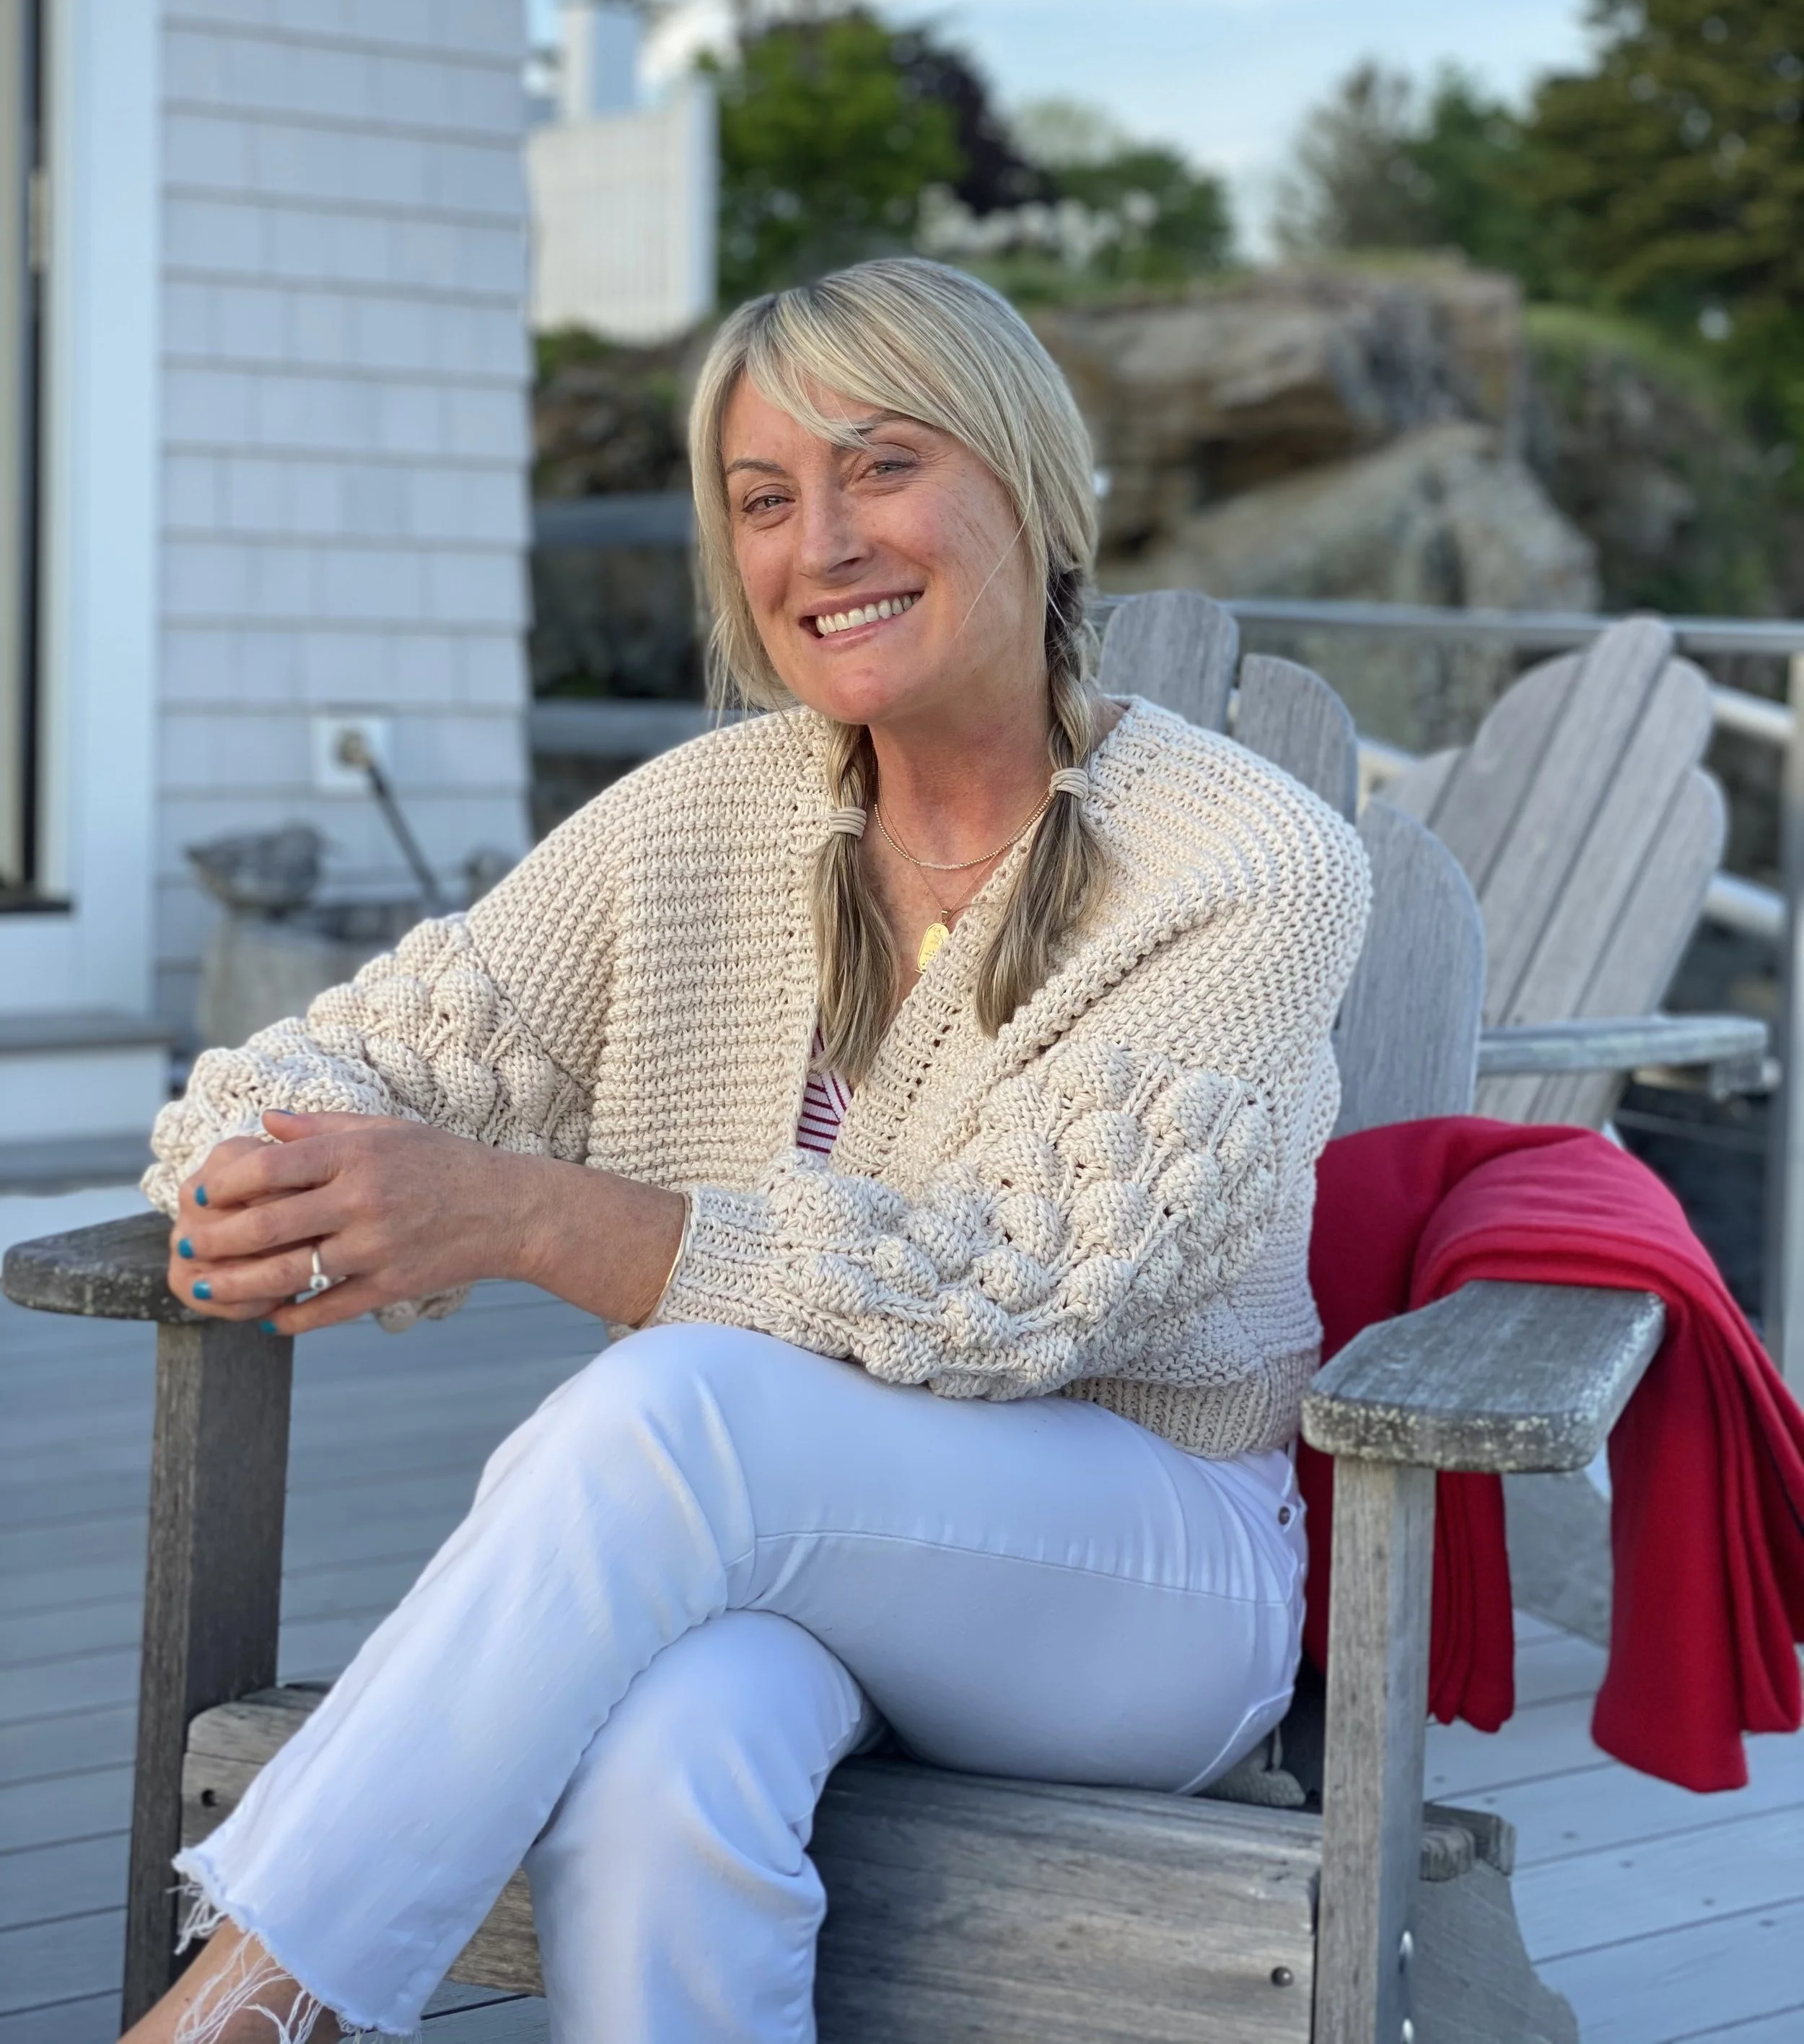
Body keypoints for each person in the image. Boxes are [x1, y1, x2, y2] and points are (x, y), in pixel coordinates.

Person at [126, 257, 1370, 2044]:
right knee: (662, 1759)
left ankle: (246, 2007)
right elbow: (337, 1062)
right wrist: (264, 1173)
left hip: (1140, 1577)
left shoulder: (1242, 863)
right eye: (764, 498)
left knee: (674, 1400)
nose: (823, 543)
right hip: (777, 1547)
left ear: (1031, 482)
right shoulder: (706, 818)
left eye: (882, 467)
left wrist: (530, 1215)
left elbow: (1001, 1294)